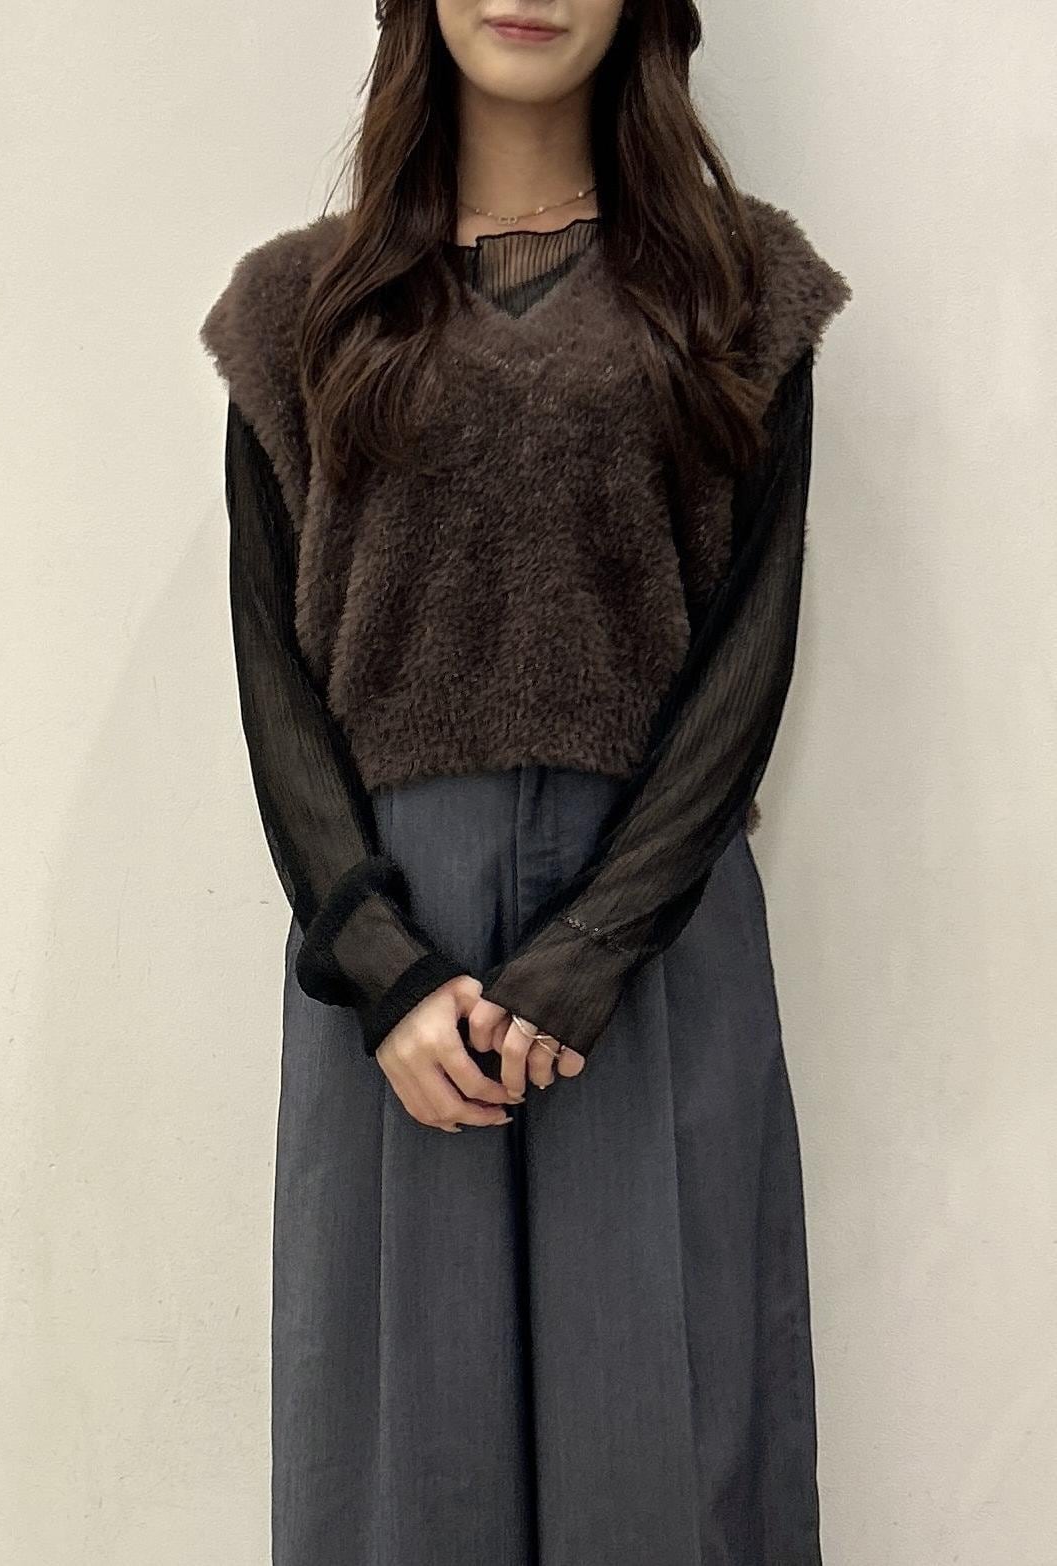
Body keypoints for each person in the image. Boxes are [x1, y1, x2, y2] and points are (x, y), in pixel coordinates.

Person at [199, 2, 852, 1561]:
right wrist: (380, 964)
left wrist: (593, 943)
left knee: (663, 1433)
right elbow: (271, 663)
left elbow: (747, 649)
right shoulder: (301, 310)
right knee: (405, 1464)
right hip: (391, 959)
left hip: (651, 934)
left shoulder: (733, 292)